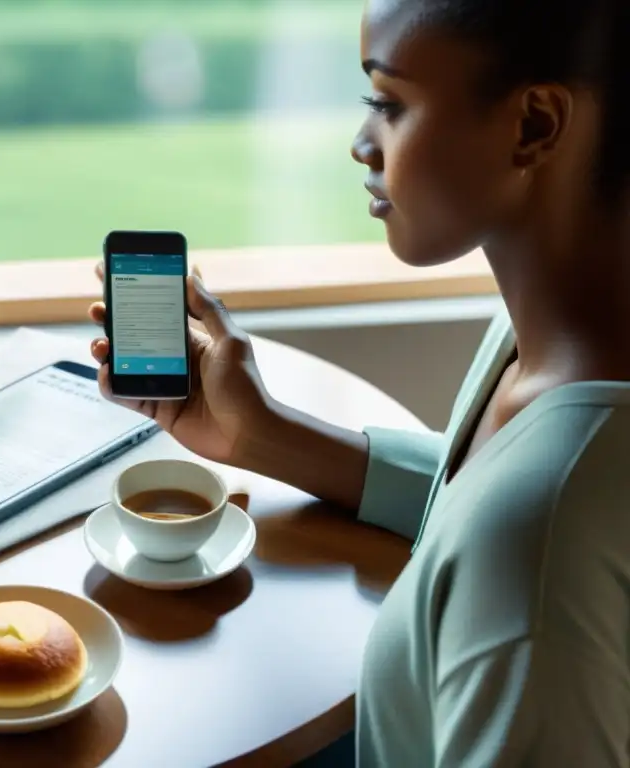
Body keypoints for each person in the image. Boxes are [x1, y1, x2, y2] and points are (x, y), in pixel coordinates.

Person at [88, 0, 630, 765]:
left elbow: (509, 534)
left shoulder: (539, 550)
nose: (359, 144)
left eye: (388, 102)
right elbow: (471, 511)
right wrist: (264, 435)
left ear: (535, 124)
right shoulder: (550, 342)